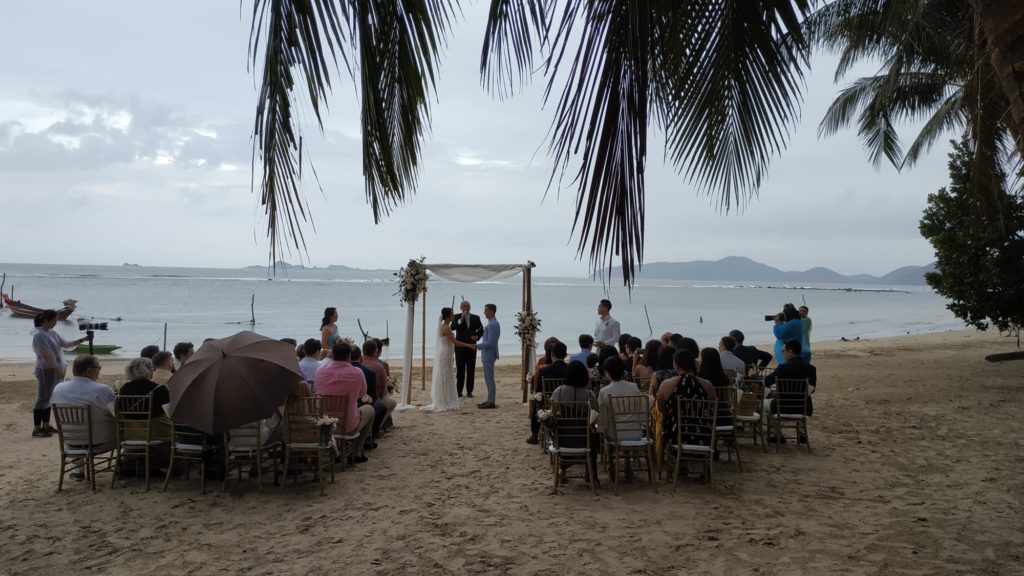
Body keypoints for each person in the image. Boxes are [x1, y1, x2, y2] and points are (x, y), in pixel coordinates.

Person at [315, 342, 375, 464]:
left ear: (332, 355)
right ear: (349, 356)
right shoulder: (357, 372)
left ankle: (336, 448)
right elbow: (361, 394)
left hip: (324, 424)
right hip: (347, 425)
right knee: (370, 410)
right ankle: (356, 451)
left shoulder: (320, 371)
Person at [31, 310, 89, 437]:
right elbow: (46, 355)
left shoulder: (52, 333)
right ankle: (37, 428)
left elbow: (66, 345)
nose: (56, 323)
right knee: (43, 397)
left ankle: (46, 426)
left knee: (49, 397)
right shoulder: (38, 335)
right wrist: (57, 370)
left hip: (57, 367)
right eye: (54, 320)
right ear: (46, 320)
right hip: (47, 369)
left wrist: (84, 339)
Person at [549, 360, 600, 484]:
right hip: (584, 439)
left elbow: (552, 414)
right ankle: (590, 472)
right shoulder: (589, 395)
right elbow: (596, 416)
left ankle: (563, 470)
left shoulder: (558, 392)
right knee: (595, 435)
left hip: (562, 438)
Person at [52, 355, 117, 451]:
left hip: (70, 443)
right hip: (100, 442)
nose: (99, 371)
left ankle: (79, 463)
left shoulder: (58, 389)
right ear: (89, 371)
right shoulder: (103, 390)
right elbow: (118, 414)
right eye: (99, 368)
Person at [657, 350, 716, 449]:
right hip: (704, 434)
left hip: (675, 435)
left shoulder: (666, 384)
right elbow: (713, 407)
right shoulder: (707, 384)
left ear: (676, 365)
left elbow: (660, 409)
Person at [764, 339, 817, 443]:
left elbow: (766, 382)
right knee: (802, 399)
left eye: (783, 350)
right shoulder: (811, 368)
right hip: (804, 408)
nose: (782, 352)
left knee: (763, 404)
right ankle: (801, 432)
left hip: (783, 407)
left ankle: (778, 434)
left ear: (790, 351)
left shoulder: (783, 367)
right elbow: (812, 389)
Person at [424, 307, 474, 412]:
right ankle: (446, 400)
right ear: (448, 316)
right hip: (446, 352)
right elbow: (455, 342)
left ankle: (444, 398)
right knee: (446, 374)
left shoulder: (443, 326)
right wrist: (469, 345)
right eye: (452, 314)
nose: (453, 315)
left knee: (445, 373)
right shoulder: (446, 328)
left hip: (445, 352)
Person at [117, 357, 172, 438]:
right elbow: (168, 411)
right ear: (147, 370)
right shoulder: (159, 389)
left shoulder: (124, 389)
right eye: (152, 369)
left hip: (132, 433)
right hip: (156, 432)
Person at [528, 341, 569, 444]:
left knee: (536, 401)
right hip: (567, 404)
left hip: (548, 404)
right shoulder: (569, 369)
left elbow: (538, 391)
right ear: (565, 355)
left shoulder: (544, 371)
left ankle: (534, 435)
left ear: (552, 355)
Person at [596, 355, 645, 439]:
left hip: (614, 435)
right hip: (636, 433)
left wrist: (600, 429)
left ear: (607, 373)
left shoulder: (604, 391)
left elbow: (602, 418)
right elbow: (642, 409)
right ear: (623, 371)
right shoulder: (634, 387)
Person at [451, 300, 484, 398]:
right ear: (461, 308)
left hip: (471, 346)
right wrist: (461, 318)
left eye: (468, 306)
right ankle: (459, 391)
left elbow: (481, 329)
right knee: (460, 370)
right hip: (460, 347)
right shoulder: (456, 317)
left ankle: (469, 391)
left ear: (470, 307)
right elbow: (452, 327)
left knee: (471, 369)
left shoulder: (476, 318)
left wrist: (477, 337)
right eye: (464, 306)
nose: (466, 308)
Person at [476, 304, 501, 409]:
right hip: (487, 354)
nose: (484, 312)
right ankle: (489, 399)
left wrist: (478, 346)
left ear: (491, 311)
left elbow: (491, 342)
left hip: (489, 355)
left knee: (489, 378)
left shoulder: (493, 324)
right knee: (488, 378)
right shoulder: (491, 323)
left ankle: (491, 401)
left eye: (486, 310)